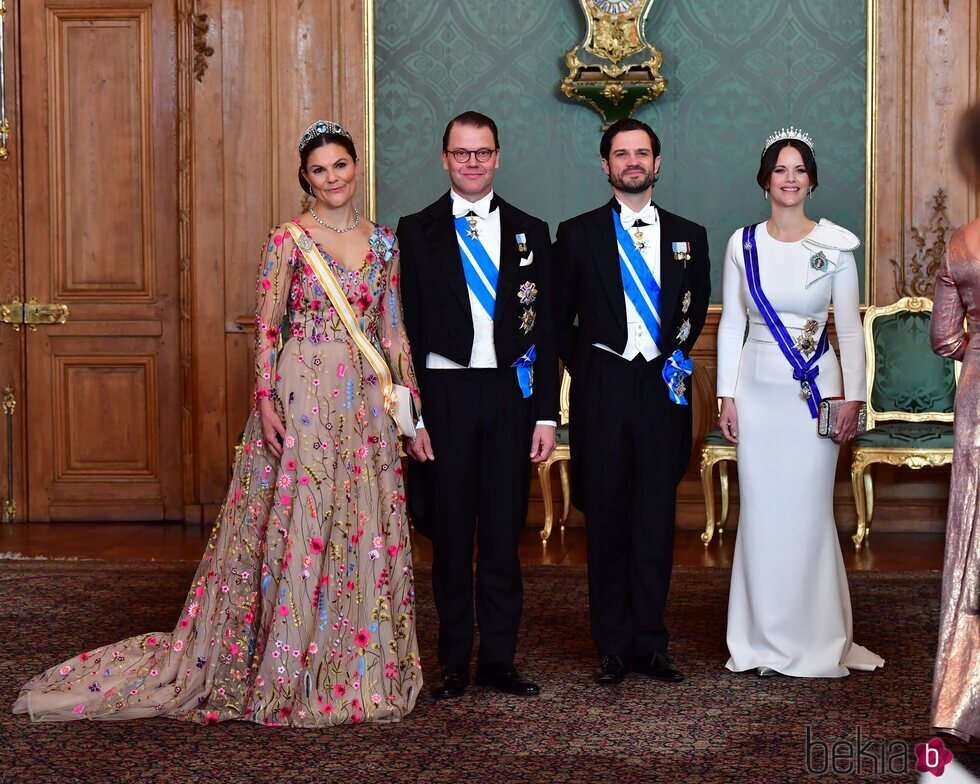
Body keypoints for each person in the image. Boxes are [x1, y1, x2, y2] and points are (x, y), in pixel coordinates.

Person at [13, 120, 423, 726]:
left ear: (356, 166)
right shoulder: (289, 240)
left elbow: (392, 330)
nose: (332, 177)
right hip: (304, 389)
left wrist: (409, 407)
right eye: (319, 169)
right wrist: (264, 399)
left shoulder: (384, 243)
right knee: (304, 520)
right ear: (303, 177)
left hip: (364, 399)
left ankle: (353, 665)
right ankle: (289, 669)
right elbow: (267, 326)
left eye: (341, 165)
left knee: (357, 519)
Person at [397, 111, 558, 700]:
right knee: (449, 537)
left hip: (509, 400)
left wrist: (545, 414)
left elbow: (545, 336)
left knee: (500, 534)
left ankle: (498, 661)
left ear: (497, 156)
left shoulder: (530, 230)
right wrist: (409, 417)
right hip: (444, 398)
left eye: (482, 152)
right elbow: (402, 332)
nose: (471, 161)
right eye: (461, 152)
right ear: (444, 158)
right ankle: (451, 663)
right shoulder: (414, 231)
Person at [716, 128, 884, 678]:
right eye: (781, 169)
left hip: (817, 393)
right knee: (762, 514)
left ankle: (816, 637)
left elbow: (852, 331)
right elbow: (733, 324)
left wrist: (853, 397)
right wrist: (726, 394)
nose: (790, 179)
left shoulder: (834, 245)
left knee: (809, 514)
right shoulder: (742, 244)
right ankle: (761, 639)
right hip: (758, 393)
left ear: (812, 179)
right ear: (765, 177)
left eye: (800, 170)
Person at [553, 118, 710, 685]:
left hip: (661, 389)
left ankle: (652, 641)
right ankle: (612, 644)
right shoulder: (576, 234)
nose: (633, 162)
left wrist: (669, 354)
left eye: (642, 153)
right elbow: (557, 317)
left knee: (655, 516)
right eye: (622, 154)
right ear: (606, 166)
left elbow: (695, 305)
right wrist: (591, 364)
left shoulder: (689, 235)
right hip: (604, 386)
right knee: (608, 515)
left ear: (658, 162)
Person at [930, 104, 980, 741]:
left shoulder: (962, 244)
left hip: (978, 392)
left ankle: (964, 702)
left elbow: (944, 337)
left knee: (973, 536)